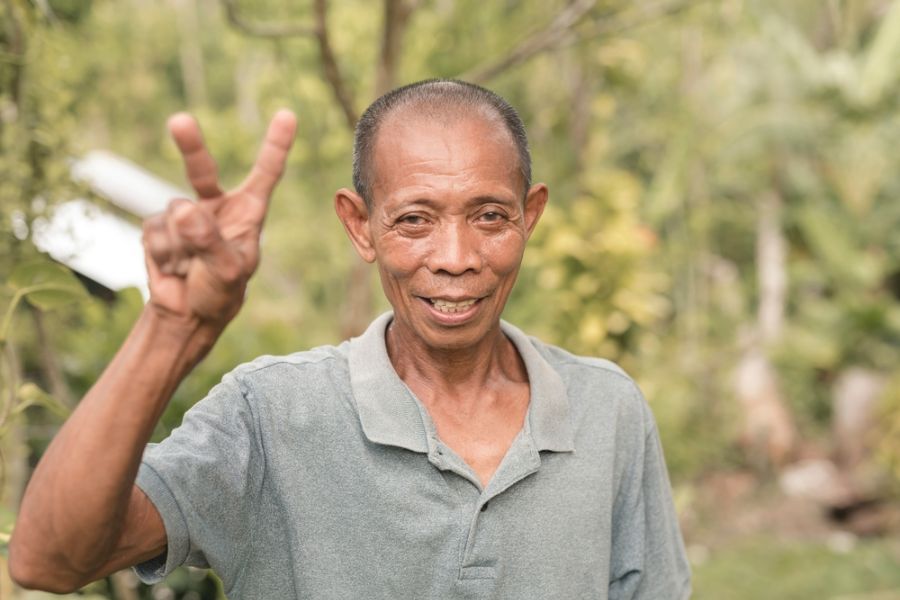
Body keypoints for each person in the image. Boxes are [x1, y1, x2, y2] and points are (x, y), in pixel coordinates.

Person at [9, 80, 691, 599]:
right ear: (359, 226)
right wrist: (173, 328)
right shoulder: (270, 415)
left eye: (489, 216)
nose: (455, 256)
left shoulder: (608, 412)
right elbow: (51, 559)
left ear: (530, 216)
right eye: (415, 220)